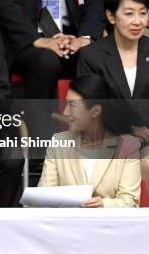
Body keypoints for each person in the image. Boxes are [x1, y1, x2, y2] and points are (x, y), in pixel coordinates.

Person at [77, 0, 149, 197]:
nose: (137, 21)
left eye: (143, 13)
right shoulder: (93, 55)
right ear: (111, 16)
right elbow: (90, 108)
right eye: (129, 13)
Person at [38, 75, 141, 207]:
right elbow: (44, 196)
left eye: (72, 105)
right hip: (67, 224)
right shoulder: (59, 141)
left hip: (109, 225)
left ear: (95, 111)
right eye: (66, 104)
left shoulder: (128, 145)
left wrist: (103, 205)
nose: (65, 112)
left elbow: (130, 201)